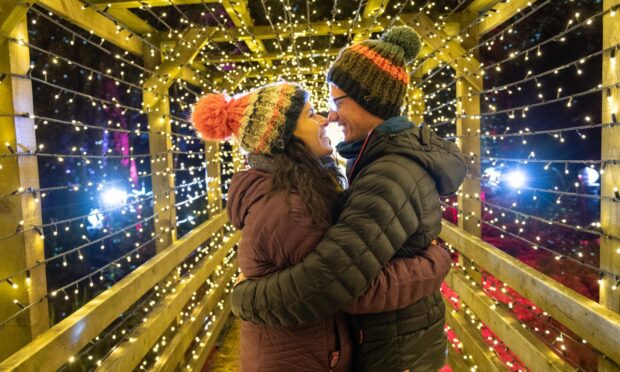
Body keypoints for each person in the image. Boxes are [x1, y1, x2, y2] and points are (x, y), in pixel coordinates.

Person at [231, 27, 468, 372]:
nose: (330, 115)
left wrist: (244, 298)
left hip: (394, 351)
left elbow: (337, 285)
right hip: (378, 347)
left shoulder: (387, 172)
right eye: (319, 109)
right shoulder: (351, 169)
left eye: (336, 102)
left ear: (368, 100)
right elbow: (337, 279)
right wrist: (435, 262)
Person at [191, 82, 453, 371]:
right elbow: (348, 289)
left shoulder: (301, 188)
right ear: (284, 137)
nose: (325, 119)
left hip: (309, 351)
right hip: (295, 359)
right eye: (310, 114)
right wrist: (436, 261)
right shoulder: (285, 205)